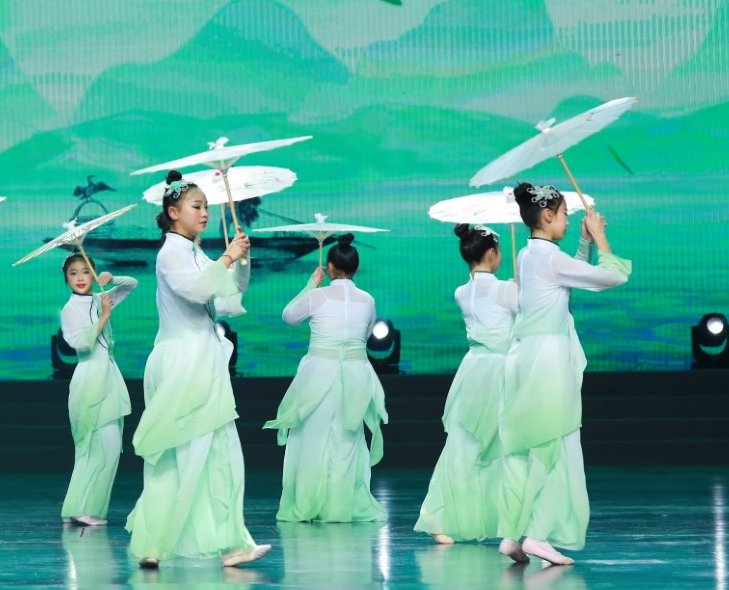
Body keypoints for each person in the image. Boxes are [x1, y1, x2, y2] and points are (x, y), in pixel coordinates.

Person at [125, 172, 271, 568]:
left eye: (207, 206)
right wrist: (227, 258)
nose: (205, 212)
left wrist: (242, 258)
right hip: (182, 361)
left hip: (202, 359)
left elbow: (226, 298)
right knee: (182, 456)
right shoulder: (171, 253)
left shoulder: (194, 253)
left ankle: (229, 544)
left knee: (216, 453)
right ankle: (161, 544)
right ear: (174, 212)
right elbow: (198, 290)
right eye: (197, 206)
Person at [498, 183, 630, 566]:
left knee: (537, 445)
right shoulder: (550, 260)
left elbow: (569, 276)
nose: (569, 221)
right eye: (564, 214)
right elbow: (610, 278)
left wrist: (585, 243)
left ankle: (514, 534)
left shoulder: (529, 254)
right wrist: (601, 237)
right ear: (547, 215)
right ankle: (538, 534)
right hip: (549, 360)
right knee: (558, 444)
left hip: (529, 356)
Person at [269, 234, 388, 524]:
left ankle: (310, 503)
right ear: (356, 268)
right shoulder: (367, 300)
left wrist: (312, 284)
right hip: (356, 374)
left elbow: (288, 316)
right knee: (347, 441)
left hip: (319, 373)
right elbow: (367, 333)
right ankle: (342, 504)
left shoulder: (317, 296)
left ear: (330, 267)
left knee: (312, 439)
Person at [415, 224, 515, 547]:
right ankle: (504, 519)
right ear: (492, 254)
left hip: (473, 370)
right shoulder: (505, 290)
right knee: (503, 445)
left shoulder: (463, 291)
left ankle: (440, 516)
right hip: (500, 369)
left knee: (462, 445)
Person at [58, 254, 137, 526]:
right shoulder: (70, 309)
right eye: (73, 273)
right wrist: (105, 316)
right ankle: (83, 508)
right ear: (66, 278)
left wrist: (112, 278)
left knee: (109, 447)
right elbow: (81, 343)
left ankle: (79, 507)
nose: (80, 278)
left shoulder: (100, 297)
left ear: (93, 274)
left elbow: (131, 284)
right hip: (89, 378)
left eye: (85, 271)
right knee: (95, 447)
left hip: (108, 376)